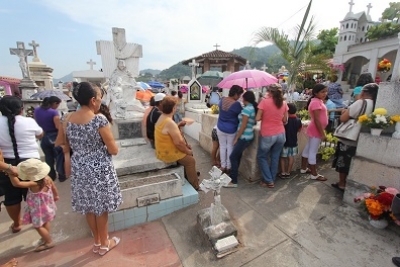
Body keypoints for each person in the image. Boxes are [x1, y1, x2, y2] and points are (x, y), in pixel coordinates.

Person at [66, 82, 122, 255]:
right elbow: (113, 149)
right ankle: (105, 243)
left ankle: (97, 242)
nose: (100, 101)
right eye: (99, 97)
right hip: (98, 168)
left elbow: (66, 145)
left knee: (89, 207)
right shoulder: (99, 119)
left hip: (79, 167)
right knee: (101, 207)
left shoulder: (68, 119)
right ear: (92, 100)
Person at [0, 96, 43, 234]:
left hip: (7, 164)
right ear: (21, 109)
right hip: (31, 162)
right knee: (35, 194)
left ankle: (17, 223)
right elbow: (40, 135)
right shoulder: (28, 121)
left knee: (11, 196)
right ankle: (40, 225)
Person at [331, 83, 378, 191]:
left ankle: (342, 183)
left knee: (343, 160)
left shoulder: (361, 102)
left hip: (350, 135)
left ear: (364, 92)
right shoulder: (375, 104)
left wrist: (344, 112)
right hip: (362, 135)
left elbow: (343, 118)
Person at [9, 159, 59, 252]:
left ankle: (48, 242)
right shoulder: (47, 178)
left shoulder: (34, 184)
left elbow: (17, 183)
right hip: (47, 206)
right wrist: (56, 195)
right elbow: (54, 187)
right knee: (45, 221)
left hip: (37, 210)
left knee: (37, 226)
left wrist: (10, 174)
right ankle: (45, 236)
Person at [155, 96, 200, 190]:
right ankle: (195, 185)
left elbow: (169, 131)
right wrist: (188, 151)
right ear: (173, 108)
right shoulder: (170, 123)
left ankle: (190, 175)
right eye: (175, 107)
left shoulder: (162, 118)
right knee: (190, 161)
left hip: (161, 150)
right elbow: (178, 143)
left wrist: (178, 125)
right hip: (168, 152)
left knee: (188, 150)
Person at [256, 83, 288, 188]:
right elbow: (285, 120)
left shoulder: (264, 102)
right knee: (275, 157)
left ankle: (269, 180)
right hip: (281, 134)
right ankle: (271, 179)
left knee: (261, 157)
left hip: (268, 134)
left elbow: (257, 118)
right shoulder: (284, 103)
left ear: (269, 92)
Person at [225, 91, 257, 188]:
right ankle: (234, 175)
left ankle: (234, 181)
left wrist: (236, 138)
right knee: (237, 156)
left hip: (244, 137)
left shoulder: (247, 110)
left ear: (245, 99)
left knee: (233, 157)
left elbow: (243, 126)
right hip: (248, 135)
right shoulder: (252, 108)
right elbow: (253, 123)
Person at [34, 96, 66, 182]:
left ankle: (51, 175)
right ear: (54, 103)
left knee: (48, 157)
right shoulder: (53, 112)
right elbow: (57, 126)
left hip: (43, 135)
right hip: (53, 136)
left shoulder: (37, 110)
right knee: (58, 156)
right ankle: (61, 175)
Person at [300, 84, 329, 181]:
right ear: (316, 93)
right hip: (316, 129)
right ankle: (314, 174)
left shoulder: (317, 101)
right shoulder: (316, 103)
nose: (325, 93)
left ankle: (304, 168)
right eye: (322, 92)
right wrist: (322, 133)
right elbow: (317, 119)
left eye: (325, 91)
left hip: (314, 129)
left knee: (308, 148)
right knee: (313, 151)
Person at [216, 85, 244, 174]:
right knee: (230, 147)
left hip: (220, 127)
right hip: (231, 129)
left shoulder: (222, 99)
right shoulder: (237, 104)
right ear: (235, 94)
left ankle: (223, 166)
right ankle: (229, 167)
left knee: (222, 146)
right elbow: (242, 113)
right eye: (239, 95)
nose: (239, 97)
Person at [279, 103, 302, 178]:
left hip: (285, 142)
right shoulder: (298, 120)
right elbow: (299, 130)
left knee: (282, 157)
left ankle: (283, 173)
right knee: (291, 157)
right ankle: (288, 173)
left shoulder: (285, 121)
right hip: (293, 142)